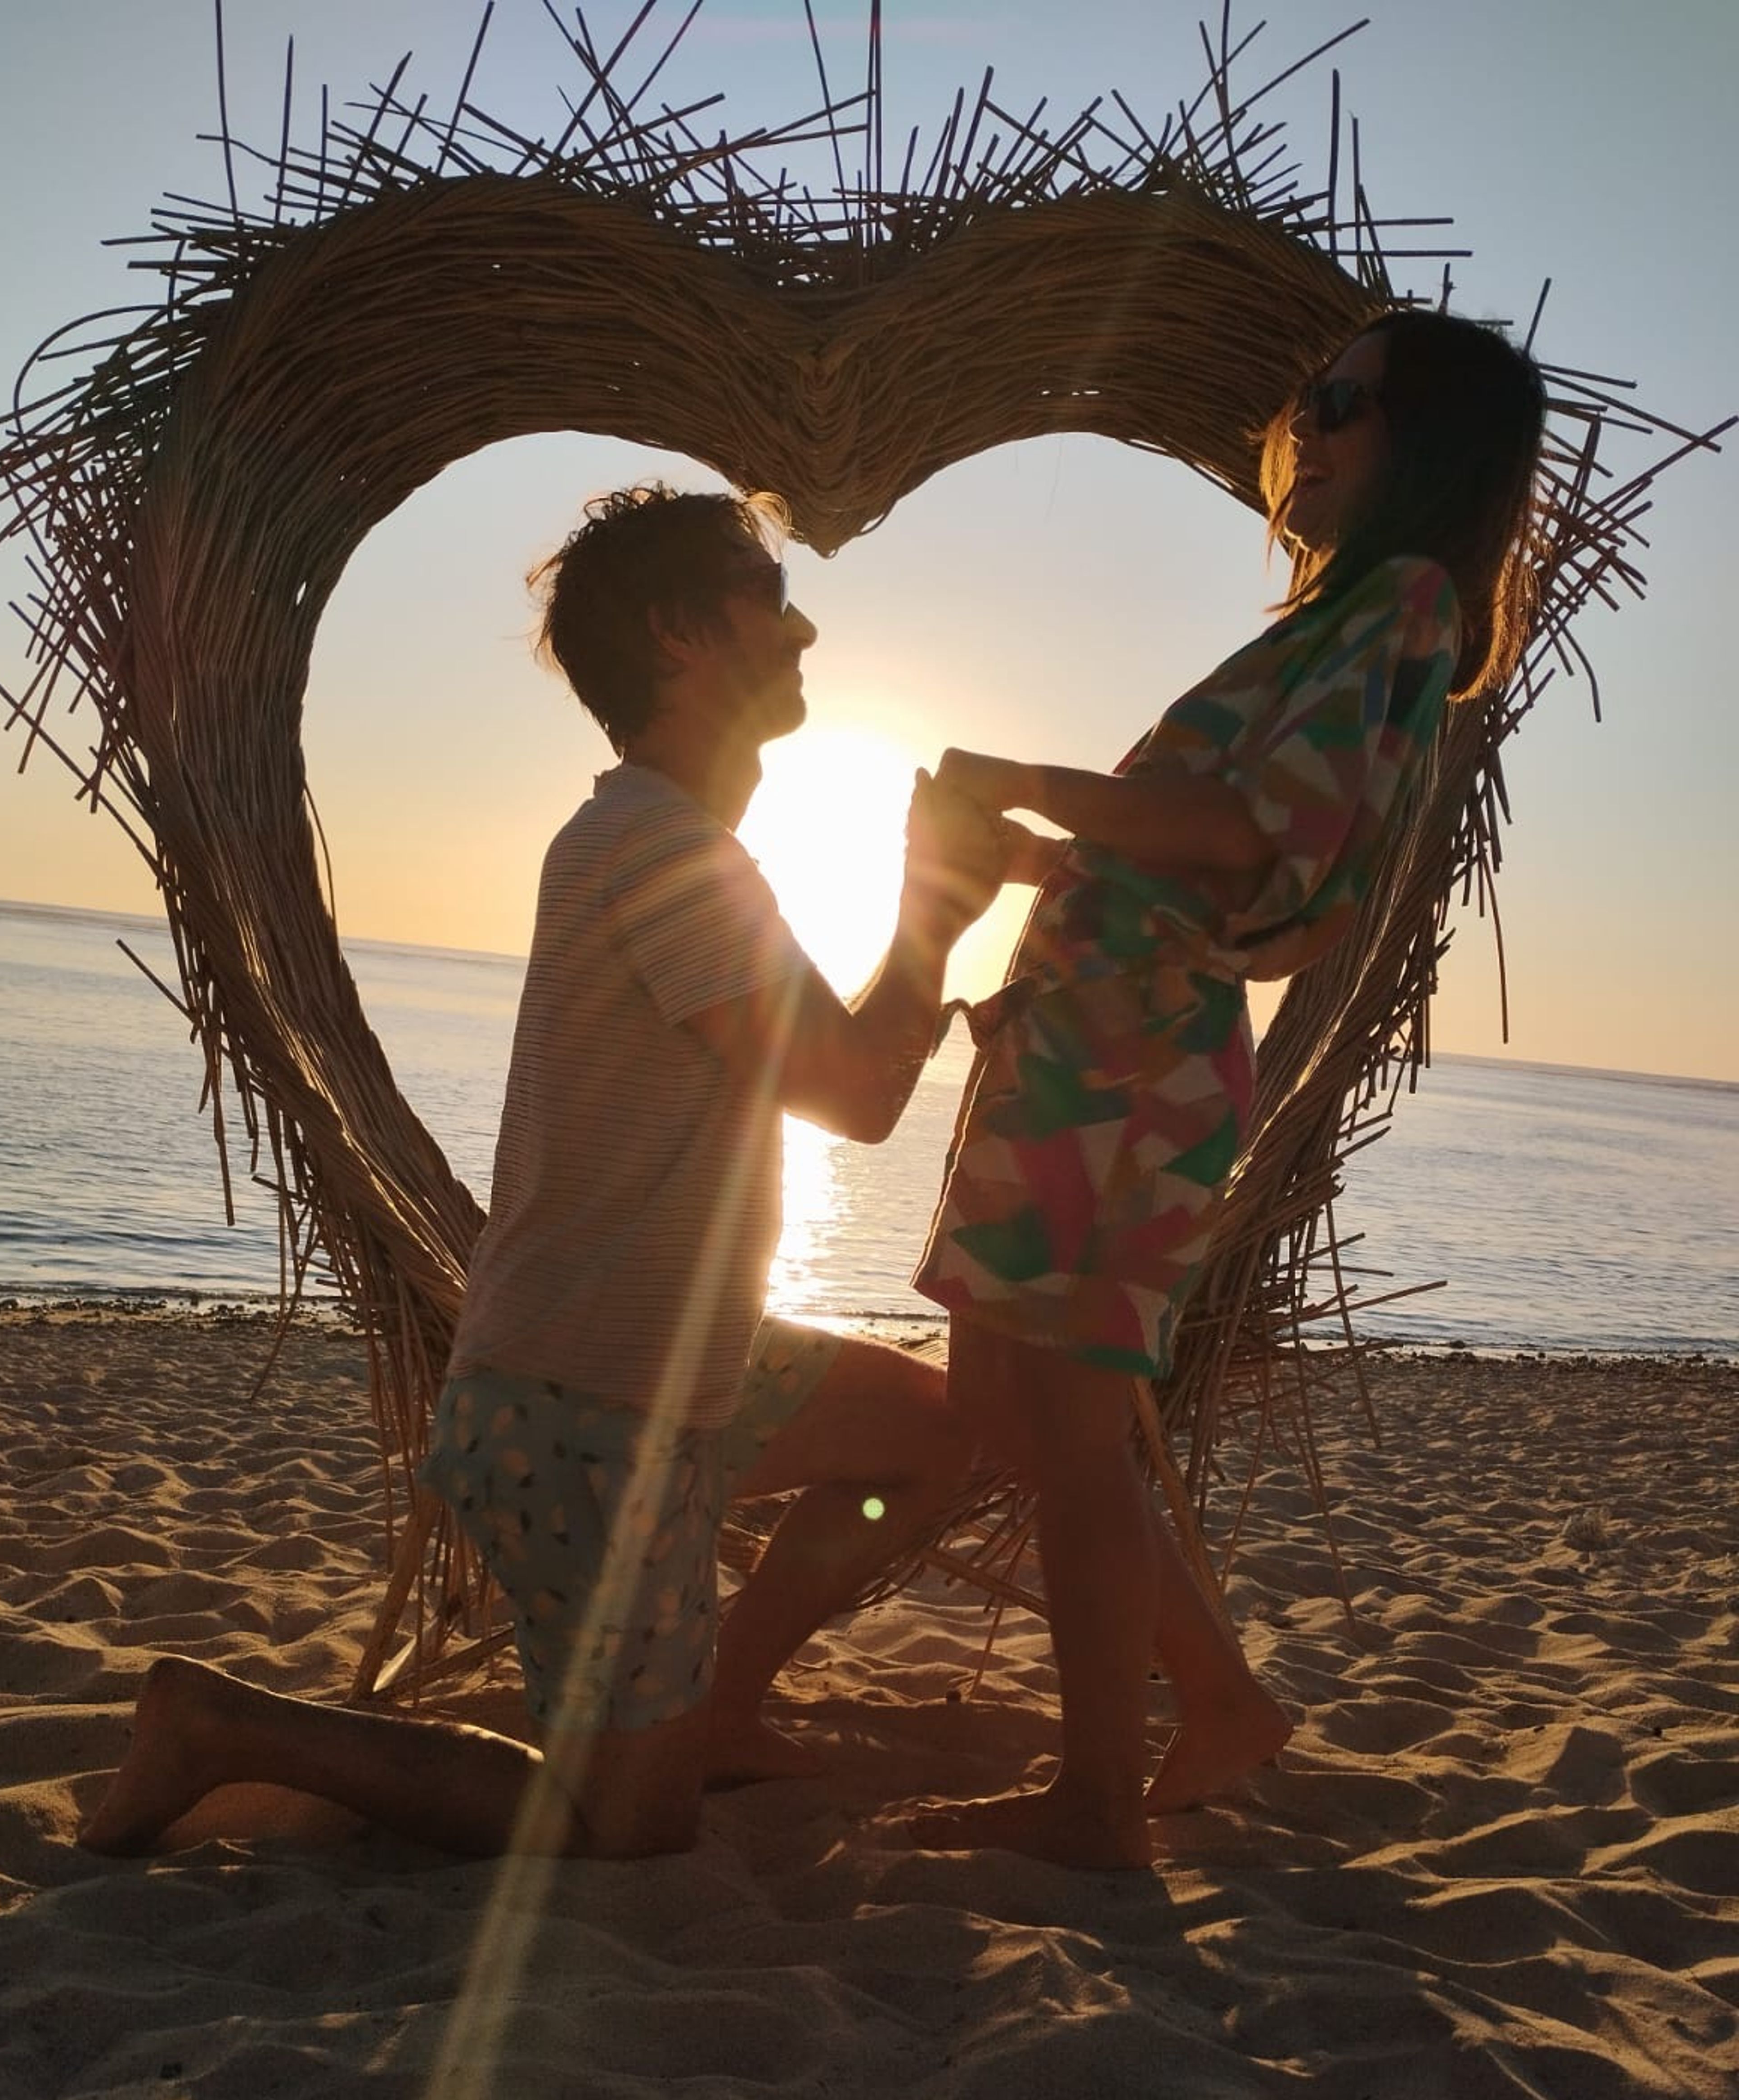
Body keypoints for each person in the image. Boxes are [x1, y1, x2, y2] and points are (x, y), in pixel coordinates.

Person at [82, 483, 1004, 1863]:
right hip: (585, 1407)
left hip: (679, 1370)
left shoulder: (676, 847)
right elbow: (860, 1095)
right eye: (767, 598)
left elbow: (839, 1075)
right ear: (680, 635)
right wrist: (935, 906)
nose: (802, 628)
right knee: (626, 1829)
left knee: (939, 1432)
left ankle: (718, 1708)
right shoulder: (661, 852)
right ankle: (222, 1728)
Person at [911, 309, 1547, 1868]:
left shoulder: (1402, 603)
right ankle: (1219, 1700)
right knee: (1003, 1400)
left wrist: (1029, 783)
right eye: (1308, 398)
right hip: (1080, 1049)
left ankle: (1096, 1804)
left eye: (1345, 402)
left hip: (1130, 1067)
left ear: (1431, 445)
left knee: (1066, 1430)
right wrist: (1044, 858)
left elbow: (1254, 834)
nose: (1305, 427)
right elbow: (1193, 852)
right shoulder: (1340, 618)